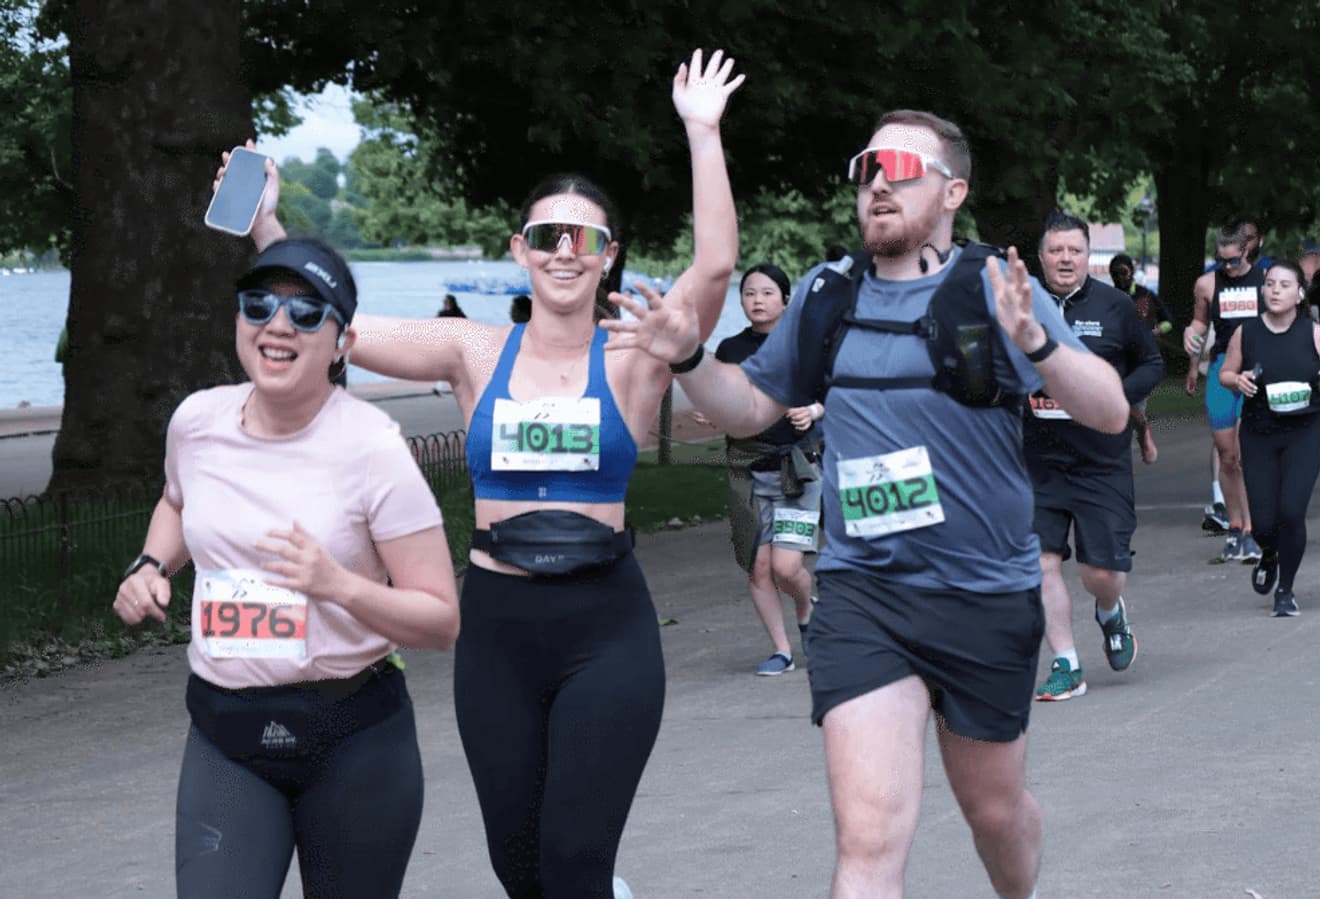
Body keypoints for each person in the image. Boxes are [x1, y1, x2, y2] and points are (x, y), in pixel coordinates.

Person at [227, 48, 743, 898]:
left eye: (584, 239)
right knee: (520, 862)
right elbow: (336, 326)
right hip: (497, 627)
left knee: (576, 858)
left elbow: (716, 268)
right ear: (520, 250)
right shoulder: (473, 350)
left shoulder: (636, 352)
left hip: (604, 626)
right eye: (547, 236)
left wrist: (703, 132)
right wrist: (268, 231)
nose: (564, 252)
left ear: (609, 255)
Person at [602, 109, 1127, 899]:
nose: (879, 183)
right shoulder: (827, 292)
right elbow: (749, 407)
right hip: (863, 594)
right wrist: (685, 355)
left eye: (900, 169)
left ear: (953, 191)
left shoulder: (995, 287)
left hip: (983, 592)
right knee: (869, 839)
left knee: (993, 811)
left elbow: (1111, 410)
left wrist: (1039, 346)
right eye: (868, 169)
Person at [115, 238, 460, 898]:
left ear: (341, 341)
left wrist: (338, 584)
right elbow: (176, 499)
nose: (277, 323)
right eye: (259, 304)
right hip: (226, 734)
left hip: (353, 737)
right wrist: (152, 563)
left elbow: (441, 619)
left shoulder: (372, 447)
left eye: (306, 313)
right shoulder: (197, 421)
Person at [1029, 217, 1164, 700]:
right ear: (1040, 256)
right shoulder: (1020, 307)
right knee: (1041, 563)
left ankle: (1110, 611)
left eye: (1074, 250)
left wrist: (1111, 397)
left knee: (1101, 575)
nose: (1065, 259)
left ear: (1089, 257)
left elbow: (1152, 363)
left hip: (1100, 463)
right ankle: (1065, 663)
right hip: (1037, 464)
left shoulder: (1116, 306)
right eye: (1055, 250)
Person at [709, 263, 823, 676]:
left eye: (767, 293)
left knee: (787, 568)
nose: (757, 300)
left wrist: (812, 411)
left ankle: (807, 606)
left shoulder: (804, 345)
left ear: (786, 300)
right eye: (749, 293)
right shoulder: (729, 350)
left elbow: (832, 394)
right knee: (757, 566)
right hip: (747, 470)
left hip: (797, 470)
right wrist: (715, 411)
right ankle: (782, 651)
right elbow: (723, 400)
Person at [1218, 260, 1320, 616]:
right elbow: (1225, 373)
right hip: (1259, 432)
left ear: (1299, 293)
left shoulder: (1315, 333)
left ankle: (1286, 590)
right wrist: (1236, 380)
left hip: (1303, 432)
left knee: (1291, 511)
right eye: (1270, 284)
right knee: (1262, 521)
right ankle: (1269, 553)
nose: (1275, 290)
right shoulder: (1247, 332)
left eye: (1284, 285)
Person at [1184, 222, 1264, 562]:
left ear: (1246, 250)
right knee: (1227, 455)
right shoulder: (1207, 283)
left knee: (1249, 455)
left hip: (1258, 370)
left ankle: (1254, 529)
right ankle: (1235, 527)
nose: (1227, 268)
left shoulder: (1266, 280)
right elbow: (1201, 324)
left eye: (1233, 261)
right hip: (1221, 371)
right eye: (1221, 261)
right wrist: (1192, 342)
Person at [1110, 251, 1168, 464]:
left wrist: (1155, 331)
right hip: (1118, 361)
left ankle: (1142, 428)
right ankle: (1121, 456)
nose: (1120, 277)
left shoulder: (1146, 296)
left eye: (1123, 272)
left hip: (1142, 361)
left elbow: (1168, 321)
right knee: (1118, 403)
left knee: (1132, 404)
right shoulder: (1108, 297)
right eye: (1115, 273)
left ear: (1132, 272)